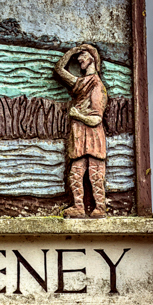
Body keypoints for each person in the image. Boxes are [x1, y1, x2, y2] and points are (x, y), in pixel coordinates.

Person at [54, 44, 108, 218]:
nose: (78, 59)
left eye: (82, 55)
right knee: (75, 173)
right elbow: (59, 70)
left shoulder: (97, 86)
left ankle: (100, 208)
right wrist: (72, 51)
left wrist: (78, 115)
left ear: (92, 58)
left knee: (95, 173)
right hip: (79, 134)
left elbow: (97, 119)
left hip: (93, 135)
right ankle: (78, 206)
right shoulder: (80, 83)